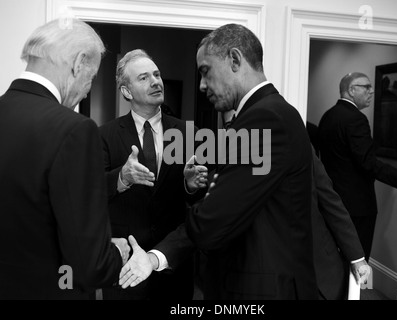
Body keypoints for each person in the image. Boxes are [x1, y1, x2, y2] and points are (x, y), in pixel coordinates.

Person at [0, 18, 130, 299]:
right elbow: (90, 266)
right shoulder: (75, 130)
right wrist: (116, 253)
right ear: (79, 63)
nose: (88, 89)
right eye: (90, 78)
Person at [184, 23, 317, 299]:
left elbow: (209, 226)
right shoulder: (264, 115)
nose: (201, 85)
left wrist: (194, 209)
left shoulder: (265, 119)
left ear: (234, 59)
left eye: (205, 71)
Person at [99, 49, 207, 300]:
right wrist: (122, 177)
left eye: (157, 75)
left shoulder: (190, 133)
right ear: (127, 92)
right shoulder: (103, 135)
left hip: (173, 263)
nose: (156, 81)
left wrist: (190, 186)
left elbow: (202, 200)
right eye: (144, 77)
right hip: (125, 264)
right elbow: (93, 192)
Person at [317, 72, 397, 261]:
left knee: (335, 259)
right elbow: (369, 163)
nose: (372, 91)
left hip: (331, 199)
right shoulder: (355, 119)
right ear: (351, 90)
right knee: (357, 260)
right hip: (357, 206)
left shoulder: (328, 116)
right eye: (366, 87)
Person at [311, 151, 370, 299]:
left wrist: (356, 257)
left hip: (318, 263)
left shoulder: (300, 140)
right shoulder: (250, 139)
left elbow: (329, 199)